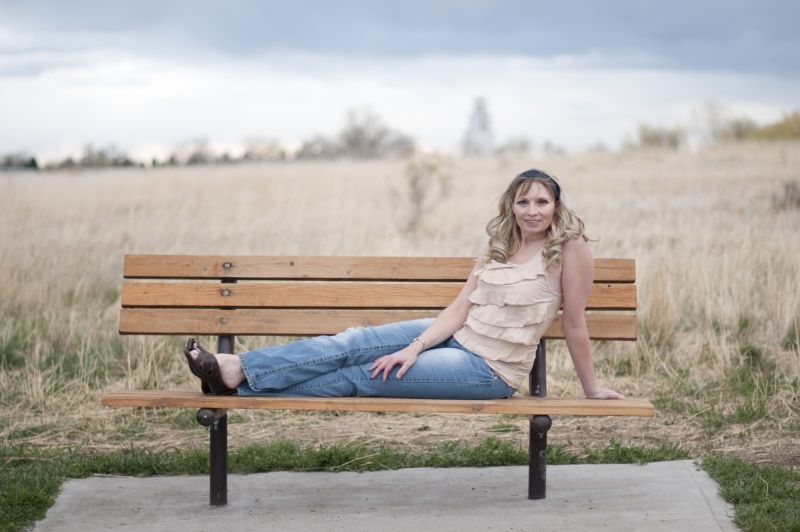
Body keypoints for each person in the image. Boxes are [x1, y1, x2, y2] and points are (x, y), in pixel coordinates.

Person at [184, 169, 624, 400]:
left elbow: (574, 324)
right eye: (523, 201)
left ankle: (238, 387)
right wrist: (415, 346)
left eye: (542, 201)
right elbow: (459, 310)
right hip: (455, 337)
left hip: (489, 370)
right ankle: (237, 368)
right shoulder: (499, 246)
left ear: (556, 206)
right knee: (354, 342)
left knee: (364, 375)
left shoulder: (570, 250)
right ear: (511, 206)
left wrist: (591, 388)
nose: (532, 210)